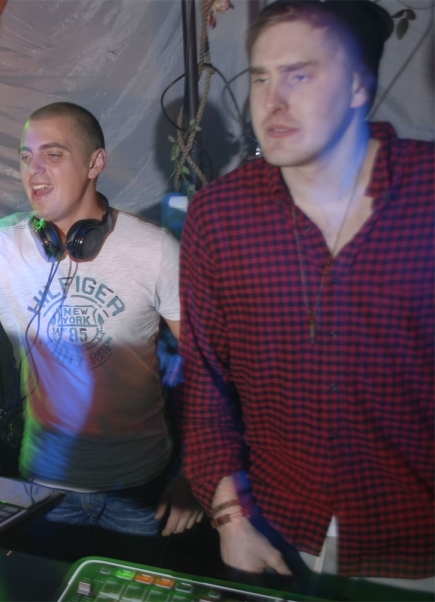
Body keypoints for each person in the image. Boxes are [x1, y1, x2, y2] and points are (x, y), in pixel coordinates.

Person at [179, 0, 433, 598]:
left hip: (420, 542)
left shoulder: (426, 195)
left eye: (300, 75)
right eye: (261, 78)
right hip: (279, 532)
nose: (272, 101)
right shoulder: (219, 217)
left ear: (358, 86)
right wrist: (229, 519)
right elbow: (206, 382)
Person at [0, 102, 203, 561]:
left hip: (140, 490)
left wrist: (196, 474)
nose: (33, 171)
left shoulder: (154, 249)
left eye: (52, 154)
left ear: (95, 162)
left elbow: (208, 369)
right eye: (25, 156)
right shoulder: (1, 247)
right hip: (42, 488)